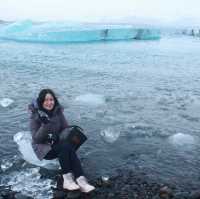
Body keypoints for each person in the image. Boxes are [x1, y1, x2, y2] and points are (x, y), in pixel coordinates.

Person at [28, 88, 95, 193]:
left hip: (57, 144)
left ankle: (81, 180)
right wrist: (45, 125)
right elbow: (36, 139)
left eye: (51, 99)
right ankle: (67, 180)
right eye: (46, 100)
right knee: (65, 147)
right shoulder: (35, 116)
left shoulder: (57, 112)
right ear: (41, 102)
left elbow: (65, 128)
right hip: (44, 149)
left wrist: (72, 133)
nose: (49, 103)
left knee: (68, 145)